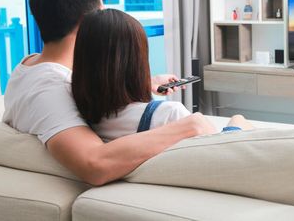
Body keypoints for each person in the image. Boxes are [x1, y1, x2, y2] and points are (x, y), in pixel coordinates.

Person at [3, 0, 217, 186]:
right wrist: (191, 126)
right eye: (102, 10)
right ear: (89, 21)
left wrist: (143, 82)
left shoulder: (30, 65)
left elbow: (77, 82)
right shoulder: (49, 89)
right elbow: (94, 165)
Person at [71, 9, 253, 141]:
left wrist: (148, 83)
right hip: (219, 151)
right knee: (238, 119)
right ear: (137, 61)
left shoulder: (80, 115)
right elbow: (220, 150)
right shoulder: (169, 114)